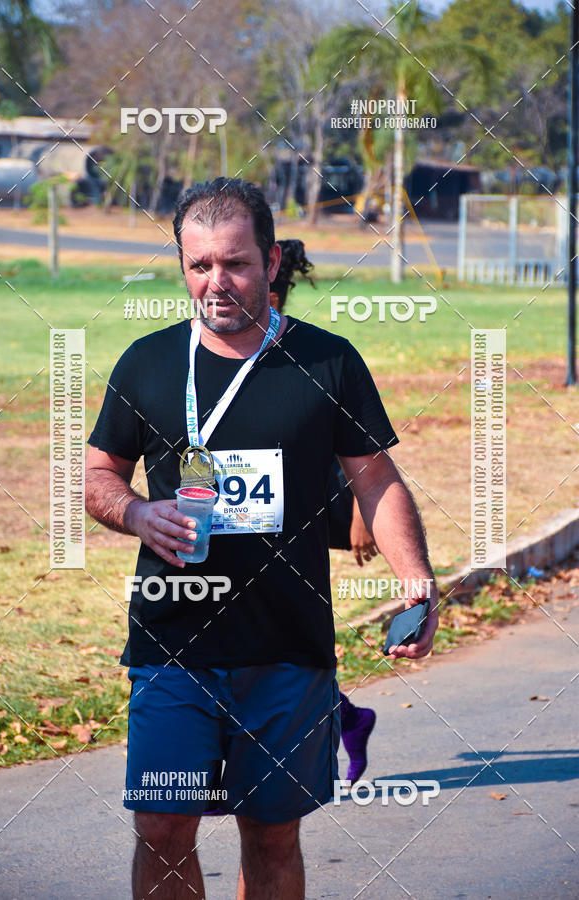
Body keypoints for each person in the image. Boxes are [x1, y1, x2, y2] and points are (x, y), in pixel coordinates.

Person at [85, 178, 438, 900]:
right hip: (173, 646)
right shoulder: (147, 364)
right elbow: (98, 475)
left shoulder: (327, 361)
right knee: (162, 826)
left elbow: (377, 480)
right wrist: (135, 513)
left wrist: (416, 581)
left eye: (236, 263)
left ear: (273, 261)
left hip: (287, 650)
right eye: (200, 265)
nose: (217, 282)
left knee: (272, 831)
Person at [270, 238, 377, 784]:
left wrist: (363, 512)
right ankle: (349, 720)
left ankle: (320, 749)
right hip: (249, 525)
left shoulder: (308, 352)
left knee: (292, 638)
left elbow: (355, 448)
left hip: (311, 511)